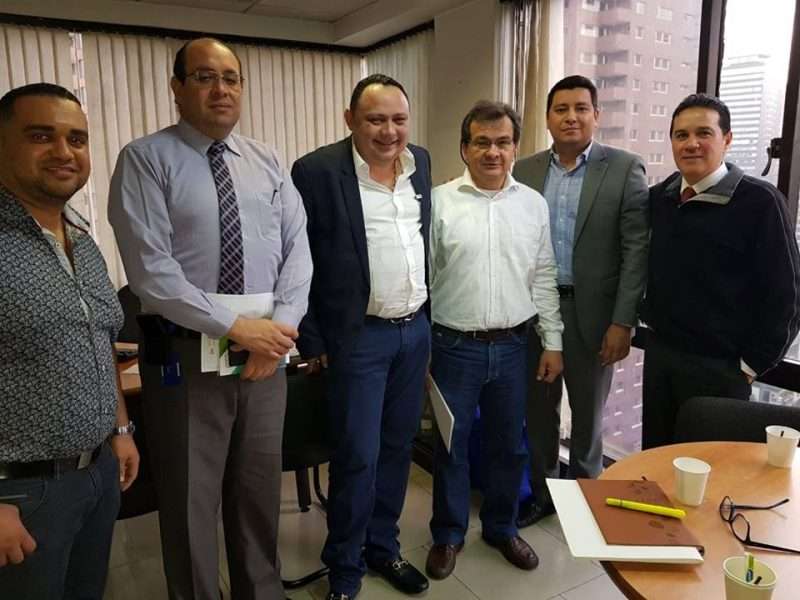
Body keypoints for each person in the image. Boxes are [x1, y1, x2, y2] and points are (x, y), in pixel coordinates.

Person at [108, 38, 312, 599]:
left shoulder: (268, 161)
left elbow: (298, 252)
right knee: (190, 499)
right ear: (177, 88)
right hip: (185, 356)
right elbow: (151, 271)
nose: (220, 89)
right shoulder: (146, 159)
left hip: (266, 357)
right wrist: (237, 329)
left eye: (231, 78)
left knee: (258, 492)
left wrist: (277, 334)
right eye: (203, 77)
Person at [291, 74, 431, 600]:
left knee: (398, 447)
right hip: (358, 339)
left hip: (414, 331)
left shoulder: (420, 162)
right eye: (375, 119)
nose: (388, 131)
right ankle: (345, 570)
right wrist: (312, 339)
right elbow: (298, 258)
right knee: (357, 455)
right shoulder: (317, 171)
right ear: (350, 120)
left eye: (398, 119)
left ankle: (382, 546)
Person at [0, 83, 139, 599]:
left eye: (76, 139)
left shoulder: (81, 238)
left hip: (97, 473)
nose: (64, 151)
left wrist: (120, 429)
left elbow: (101, 343)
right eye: (41, 136)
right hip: (20, 491)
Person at [424, 101, 562, 580]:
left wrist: (553, 341)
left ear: (515, 148)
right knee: (452, 445)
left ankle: (502, 527)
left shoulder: (533, 204)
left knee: (509, 445)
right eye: (481, 142)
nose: (492, 152)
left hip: (513, 347)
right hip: (452, 347)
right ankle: (448, 534)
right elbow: (425, 279)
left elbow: (543, 275)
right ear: (464, 148)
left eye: (502, 142)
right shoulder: (439, 203)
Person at [513, 75, 649, 526]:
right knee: (539, 412)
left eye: (580, 108)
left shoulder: (624, 168)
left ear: (596, 115)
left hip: (595, 316)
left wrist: (623, 322)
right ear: (547, 118)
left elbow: (636, 251)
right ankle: (543, 494)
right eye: (561, 109)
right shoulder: (525, 170)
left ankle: (587, 503)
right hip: (535, 313)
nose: (571, 117)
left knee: (589, 418)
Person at [641, 93, 800, 448]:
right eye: (681, 135)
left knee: (710, 469)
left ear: (727, 139)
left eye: (704, 133)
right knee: (654, 459)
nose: (691, 144)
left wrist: (750, 366)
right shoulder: (660, 198)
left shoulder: (761, 203)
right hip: (662, 357)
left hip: (721, 370)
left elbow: (787, 296)